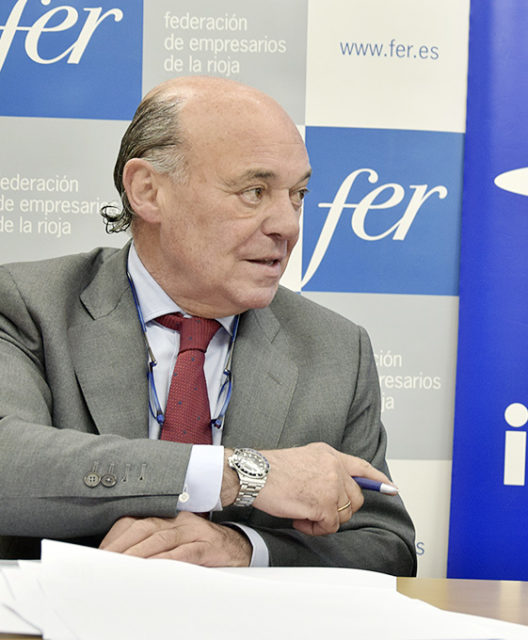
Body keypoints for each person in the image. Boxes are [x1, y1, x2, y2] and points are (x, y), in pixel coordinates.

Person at [0, 76, 416, 573]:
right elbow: (10, 463)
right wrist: (241, 474)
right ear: (148, 190)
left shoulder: (335, 349)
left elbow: (388, 547)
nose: (287, 224)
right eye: (254, 191)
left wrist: (244, 548)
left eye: (298, 194)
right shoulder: (30, 306)